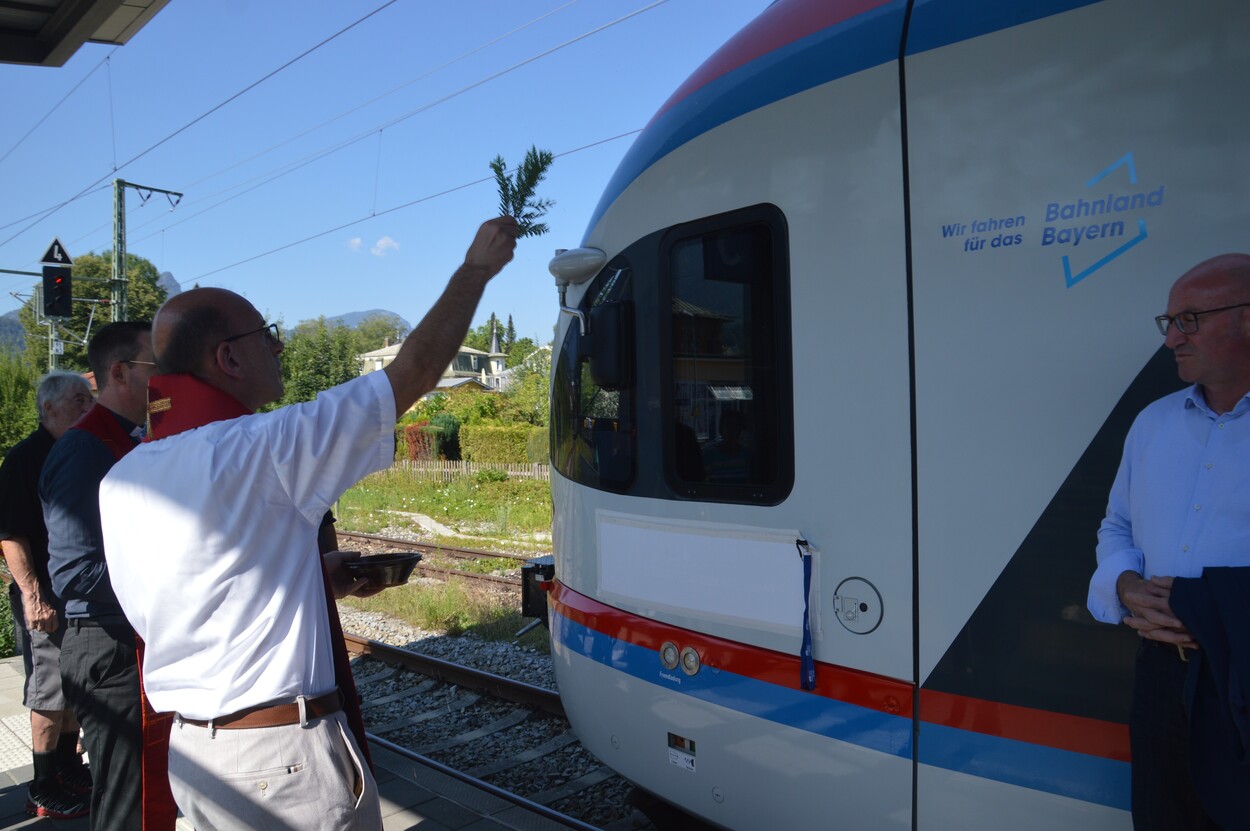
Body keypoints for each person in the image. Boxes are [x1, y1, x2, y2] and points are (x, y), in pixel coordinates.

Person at [99, 215, 518, 831]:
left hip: (192, 754)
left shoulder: (124, 478)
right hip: (280, 765)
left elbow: (196, 587)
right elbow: (410, 376)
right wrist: (476, 269)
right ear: (227, 358)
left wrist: (313, 575)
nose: (279, 345)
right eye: (266, 333)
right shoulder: (264, 447)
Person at [1087, 252, 1250, 829]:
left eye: (1189, 319)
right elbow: (1117, 526)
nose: (1171, 339)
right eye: (1169, 322)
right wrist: (1127, 586)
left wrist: (1217, 613)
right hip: (1162, 674)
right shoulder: (1153, 422)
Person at [40, 322, 158, 831]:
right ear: (120, 372)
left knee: (152, 789)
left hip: (133, 637)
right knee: (127, 800)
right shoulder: (84, 448)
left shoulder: (136, 437)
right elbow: (75, 573)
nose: (169, 378)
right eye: (158, 367)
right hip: (107, 646)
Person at [0, 370, 94, 819]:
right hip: (44, 597)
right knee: (48, 692)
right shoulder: (24, 458)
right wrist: (33, 596)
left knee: (74, 687)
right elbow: (10, 536)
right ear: (49, 407)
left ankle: (67, 768)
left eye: (88, 398)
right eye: (78, 399)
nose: (87, 406)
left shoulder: (78, 450)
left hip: (77, 595)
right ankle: (41, 785)